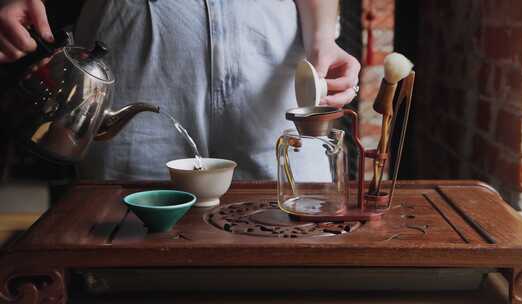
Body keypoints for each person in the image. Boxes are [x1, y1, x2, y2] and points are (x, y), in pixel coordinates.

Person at [0, 0, 360, 180]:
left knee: (295, 237)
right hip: (133, 55)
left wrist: (322, 41)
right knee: (123, 241)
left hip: (271, 63)